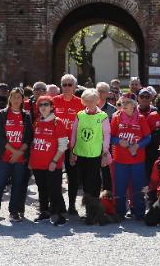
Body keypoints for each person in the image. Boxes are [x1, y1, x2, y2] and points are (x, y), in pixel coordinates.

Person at [68, 87, 111, 224]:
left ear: (97, 100)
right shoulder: (80, 115)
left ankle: (94, 214)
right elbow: (74, 133)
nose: (90, 103)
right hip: (80, 153)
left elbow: (106, 135)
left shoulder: (103, 116)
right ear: (83, 101)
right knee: (84, 184)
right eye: (87, 100)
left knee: (93, 184)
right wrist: (72, 151)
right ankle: (89, 212)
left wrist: (105, 152)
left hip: (95, 155)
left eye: (92, 100)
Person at [0, 87, 32, 221]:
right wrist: (14, 152)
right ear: (10, 98)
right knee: (0, 184)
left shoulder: (26, 116)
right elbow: (0, 136)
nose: (16, 99)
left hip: (20, 158)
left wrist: (19, 153)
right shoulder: (2, 114)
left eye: (19, 97)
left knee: (17, 185)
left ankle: (13, 212)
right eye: (14, 97)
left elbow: (28, 138)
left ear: (22, 100)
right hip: (4, 157)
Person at [109, 92, 151, 220]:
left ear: (134, 104)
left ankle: (139, 212)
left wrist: (138, 145)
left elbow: (148, 137)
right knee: (120, 187)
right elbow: (110, 137)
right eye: (122, 102)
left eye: (127, 102)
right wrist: (118, 141)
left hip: (137, 160)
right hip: (120, 160)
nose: (124, 104)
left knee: (138, 187)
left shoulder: (141, 118)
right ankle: (120, 212)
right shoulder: (116, 118)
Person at [30, 95, 69, 224]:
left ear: (52, 107)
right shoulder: (37, 121)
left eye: (46, 104)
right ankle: (44, 211)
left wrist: (54, 161)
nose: (43, 107)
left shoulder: (58, 122)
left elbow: (63, 145)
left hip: (52, 163)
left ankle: (58, 215)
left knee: (54, 190)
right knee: (42, 189)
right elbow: (34, 142)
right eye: (40, 105)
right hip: (37, 163)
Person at [52, 74, 84, 214]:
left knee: (73, 177)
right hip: (56, 145)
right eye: (64, 84)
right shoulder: (54, 101)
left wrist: (74, 147)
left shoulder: (80, 103)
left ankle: (72, 205)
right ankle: (58, 204)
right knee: (55, 176)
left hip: (73, 145)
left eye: (69, 84)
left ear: (75, 87)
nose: (66, 87)